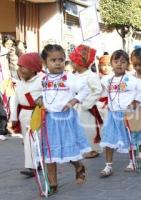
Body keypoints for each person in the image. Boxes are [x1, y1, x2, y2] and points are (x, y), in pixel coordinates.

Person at [38, 44, 91, 195]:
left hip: (65, 120)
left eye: (61, 59)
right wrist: (41, 99)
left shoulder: (69, 78)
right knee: (50, 153)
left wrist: (73, 102)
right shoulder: (42, 79)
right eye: (53, 60)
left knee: (67, 149)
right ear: (45, 62)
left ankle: (78, 166)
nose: (57, 63)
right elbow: (39, 93)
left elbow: (85, 89)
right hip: (48, 120)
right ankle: (52, 184)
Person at [99, 50, 141, 177]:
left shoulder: (131, 79)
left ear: (127, 64)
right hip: (113, 115)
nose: (119, 64)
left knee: (130, 139)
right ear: (111, 63)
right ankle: (108, 165)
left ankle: (132, 161)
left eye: (123, 62)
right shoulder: (106, 79)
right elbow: (102, 92)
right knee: (108, 139)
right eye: (116, 62)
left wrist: (135, 101)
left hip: (127, 115)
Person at [10, 53, 43, 176]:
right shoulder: (20, 82)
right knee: (28, 140)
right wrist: (14, 116)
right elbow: (16, 100)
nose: (20, 70)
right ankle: (37, 162)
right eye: (19, 66)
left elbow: (48, 94)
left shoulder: (42, 80)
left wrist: (42, 98)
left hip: (36, 113)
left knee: (31, 140)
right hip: (24, 114)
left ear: (33, 68)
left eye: (23, 66)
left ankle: (31, 167)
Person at [70, 44, 104, 159]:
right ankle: (81, 147)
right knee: (78, 127)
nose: (71, 64)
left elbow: (97, 90)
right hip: (76, 106)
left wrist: (86, 104)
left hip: (87, 107)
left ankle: (94, 149)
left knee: (89, 128)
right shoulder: (74, 76)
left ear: (80, 62)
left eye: (73, 62)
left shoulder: (91, 76)